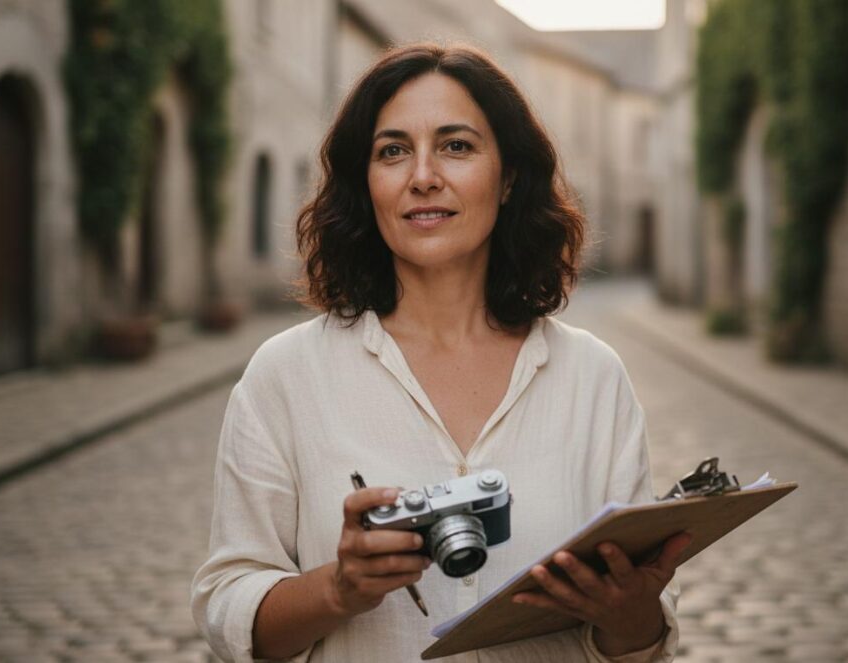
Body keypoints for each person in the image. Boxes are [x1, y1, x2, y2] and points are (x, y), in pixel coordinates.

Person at [190, 42, 690, 663]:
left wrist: (632, 614)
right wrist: (339, 589)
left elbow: (640, 644)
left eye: (456, 146)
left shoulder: (593, 377)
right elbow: (229, 610)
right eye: (393, 151)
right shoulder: (285, 376)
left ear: (507, 178)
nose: (423, 175)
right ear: (366, 183)